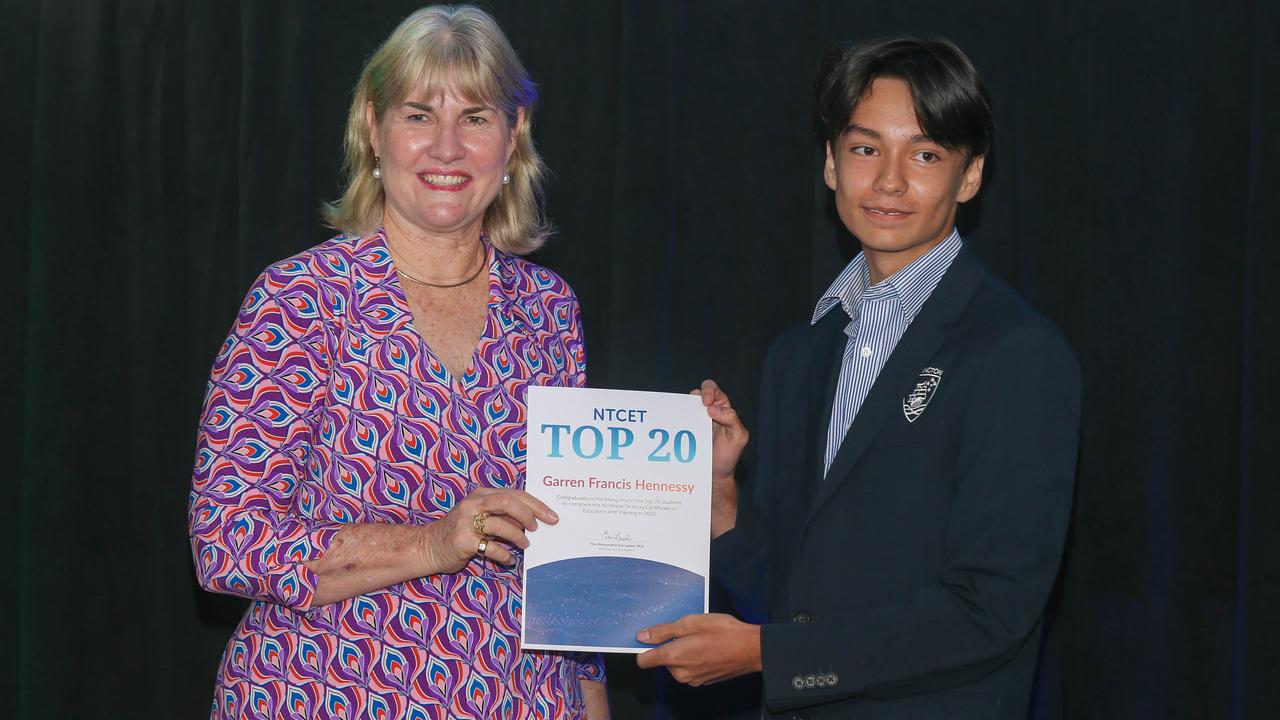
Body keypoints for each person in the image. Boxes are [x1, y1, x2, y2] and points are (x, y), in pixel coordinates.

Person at [636, 37, 1081, 719]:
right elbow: (791, 602)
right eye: (866, 148)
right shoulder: (799, 355)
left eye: (926, 154)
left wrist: (768, 657)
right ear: (831, 164)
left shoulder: (1016, 352)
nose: (891, 180)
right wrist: (722, 504)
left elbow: (990, 611)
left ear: (969, 177)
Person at [188, 6, 609, 718]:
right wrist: (435, 541)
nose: (446, 147)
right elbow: (228, 544)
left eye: (475, 117)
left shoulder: (547, 309)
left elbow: (572, 552)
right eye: (419, 114)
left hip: (519, 699)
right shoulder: (299, 300)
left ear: (513, 142)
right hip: (325, 695)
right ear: (374, 133)